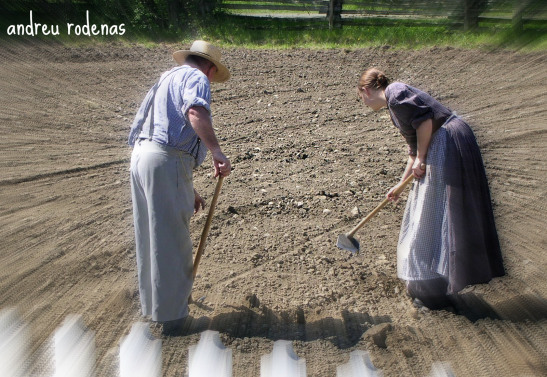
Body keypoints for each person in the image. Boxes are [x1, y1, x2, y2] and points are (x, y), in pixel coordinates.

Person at [356, 68, 504, 309]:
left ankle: (432, 288)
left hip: (448, 141)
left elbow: (425, 121)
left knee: (433, 212)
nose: (362, 102)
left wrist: (423, 158)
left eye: (360, 96)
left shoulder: (395, 92)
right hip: (441, 145)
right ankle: (430, 285)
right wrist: (400, 185)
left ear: (366, 90)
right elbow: (414, 150)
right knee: (429, 209)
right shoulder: (394, 108)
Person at [128, 40, 232, 335]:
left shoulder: (167, 77)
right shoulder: (197, 77)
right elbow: (196, 113)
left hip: (141, 158)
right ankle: (174, 319)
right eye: (213, 73)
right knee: (172, 242)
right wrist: (217, 152)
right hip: (164, 161)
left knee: (150, 237)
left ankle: (155, 308)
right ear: (210, 67)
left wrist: (188, 188)